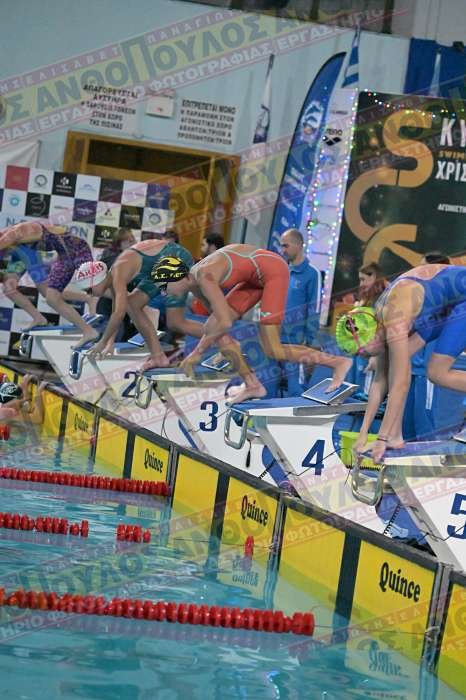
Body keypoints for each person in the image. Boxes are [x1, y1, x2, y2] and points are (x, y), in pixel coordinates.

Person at [150, 244, 352, 403]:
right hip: (254, 276)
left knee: (273, 349)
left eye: (164, 288)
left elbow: (225, 322)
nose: (164, 294)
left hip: (273, 271)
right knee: (212, 327)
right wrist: (227, 345)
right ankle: (252, 384)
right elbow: (217, 321)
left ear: (177, 278)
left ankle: (337, 362)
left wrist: (197, 353)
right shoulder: (194, 282)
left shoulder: (204, 277)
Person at [336, 264, 466, 463]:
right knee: (396, 366)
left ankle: (390, 436)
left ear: (373, 336)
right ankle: (395, 435)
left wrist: (381, 438)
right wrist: (363, 433)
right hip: (444, 305)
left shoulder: (394, 323)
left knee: (436, 372)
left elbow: (401, 384)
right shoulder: (378, 320)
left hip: (460, 300)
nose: (363, 357)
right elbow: (379, 381)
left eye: (363, 352)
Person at [81, 238, 203, 369]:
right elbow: (116, 312)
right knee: (132, 304)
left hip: (174, 257)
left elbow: (119, 314)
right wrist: (109, 343)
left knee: (176, 322)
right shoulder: (112, 276)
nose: (90, 295)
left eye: (89, 290)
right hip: (158, 265)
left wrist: (102, 342)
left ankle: (218, 337)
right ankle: (158, 357)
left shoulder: (117, 274)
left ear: (97, 281)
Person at [0, 222, 97, 345]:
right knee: (8, 289)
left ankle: (87, 298)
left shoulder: (10, 235)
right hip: (19, 255)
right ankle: (38, 318)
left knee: (46, 292)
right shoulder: (7, 236)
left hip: (29, 255)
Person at [277, 228, 321, 396]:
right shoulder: (281, 271)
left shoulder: (312, 274)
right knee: (271, 386)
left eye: (285, 246)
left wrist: (310, 340)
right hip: (274, 337)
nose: (282, 250)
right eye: (281, 246)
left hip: (296, 342)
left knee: (295, 389)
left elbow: (314, 309)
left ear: (299, 245)